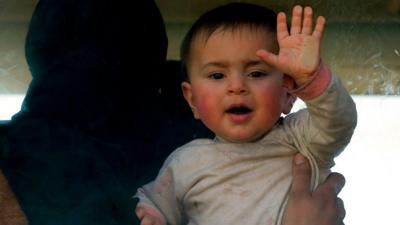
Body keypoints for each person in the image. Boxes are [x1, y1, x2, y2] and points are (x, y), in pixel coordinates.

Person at [135, 3, 357, 225]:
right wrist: (152, 216)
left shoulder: (302, 140)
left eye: (256, 73)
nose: (237, 86)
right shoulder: (184, 163)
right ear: (192, 99)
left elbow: (337, 122)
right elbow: (153, 203)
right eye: (217, 76)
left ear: (288, 93)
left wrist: (312, 80)